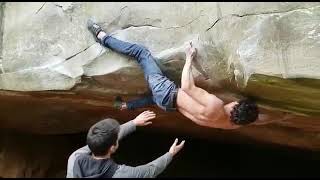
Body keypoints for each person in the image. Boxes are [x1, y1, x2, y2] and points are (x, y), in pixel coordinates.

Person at [87, 19, 286, 130]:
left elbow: (187, 86)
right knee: (151, 99)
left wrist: (189, 57)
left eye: (237, 102)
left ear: (236, 106)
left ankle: (101, 37)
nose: (234, 101)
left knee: (141, 53)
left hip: (167, 91)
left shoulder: (216, 106)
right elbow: (256, 119)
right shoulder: (230, 125)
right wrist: (280, 115)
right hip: (169, 105)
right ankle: (125, 105)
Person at [66, 110, 185, 178]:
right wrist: (170, 154)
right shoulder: (122, 174)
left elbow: (101, 140)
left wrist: (133, 123)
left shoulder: (74, 158)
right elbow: (150, 171)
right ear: (113, 147)